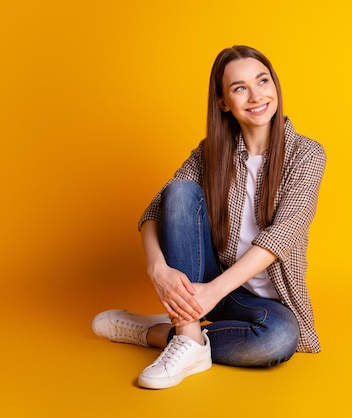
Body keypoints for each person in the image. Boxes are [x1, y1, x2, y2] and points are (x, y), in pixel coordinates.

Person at [92, 45, 326, 389]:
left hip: (255, 302)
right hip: (207, 280)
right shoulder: (209, 152)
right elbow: (155, 209)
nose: (256, 95)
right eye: (240, 87)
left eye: (263, 81)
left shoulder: (307, 154)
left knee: (278, 340)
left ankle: (156, 333)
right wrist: (157, 269)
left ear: (275, 86)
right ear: (223, 102)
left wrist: (210, 295)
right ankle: (188, 335)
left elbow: (282, 234)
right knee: (180, 192)